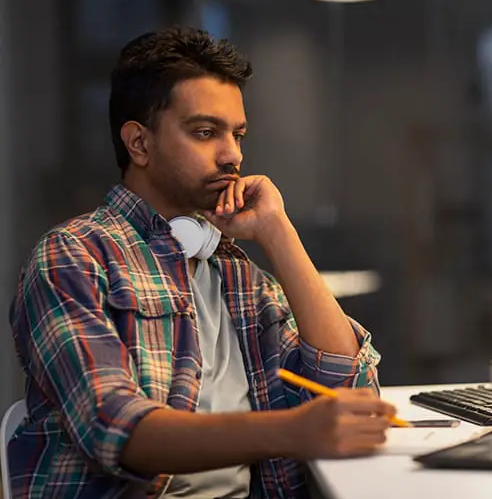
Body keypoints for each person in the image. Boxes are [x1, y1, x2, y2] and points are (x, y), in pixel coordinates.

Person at [7, 26, 394, 499]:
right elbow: (119, 430)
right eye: (206, 132)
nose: (233, 154)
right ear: (140, 144)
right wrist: (293, 429)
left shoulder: (235, 272)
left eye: (238, 134)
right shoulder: (73, 257)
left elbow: (348, 386)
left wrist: (278, 231)